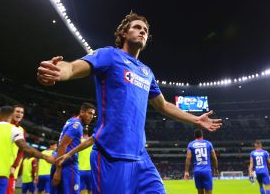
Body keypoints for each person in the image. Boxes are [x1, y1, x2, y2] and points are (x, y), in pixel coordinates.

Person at [39, 12, 222, 194]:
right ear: (124, 34)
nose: (142, 31)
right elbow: (72, 67)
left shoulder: (146, 72)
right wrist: (57, 70)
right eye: (137, 27)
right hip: (111, 154)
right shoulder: (109, 55)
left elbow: (163, 105)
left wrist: (196, 120)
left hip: (141, 157)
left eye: (145, 30)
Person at [0, 106, 55, 194]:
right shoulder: (14, 130)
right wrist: (45, 157)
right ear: (11, 115)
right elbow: (25, 148)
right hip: (0, 176)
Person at [50, 103, 95, 194]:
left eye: (93, 114)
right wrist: (58, 171)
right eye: (89, 113)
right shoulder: (77, 126)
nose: (91, 117)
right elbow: (63, 145)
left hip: (59, 161)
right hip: (67, 164)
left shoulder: (71, 120)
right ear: (82, 112)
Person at [183, 129, 218, 194]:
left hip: (197, 171)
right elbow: (214, 158)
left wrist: (186, 171)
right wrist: (216, 169)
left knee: (200, 192)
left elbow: (188, 158)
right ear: (202, 135)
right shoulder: (208, 143)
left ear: (194, 136)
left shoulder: (191, 144)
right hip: (207, 171)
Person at [8, 104, 27, 194]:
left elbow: (21, 150)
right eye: (17, 111)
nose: (20, 114)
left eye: (22, 112)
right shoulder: (3, 126)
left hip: (11, 169)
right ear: (11, 113)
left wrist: (15, 166)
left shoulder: (21, 130)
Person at [78, 127, 93, 194]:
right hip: (90, 170)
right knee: (90, 190)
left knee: (79, 190)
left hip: (79, 169)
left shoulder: (78, 141)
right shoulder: (92, 142)